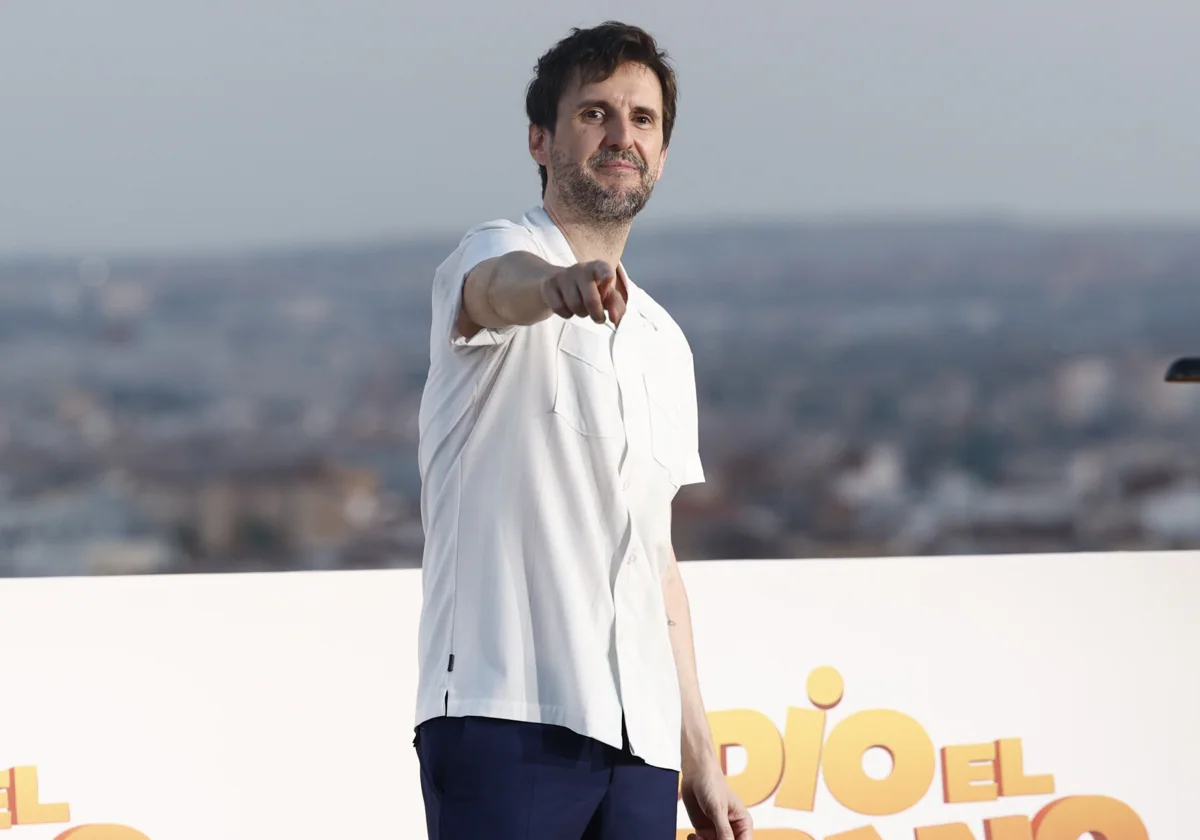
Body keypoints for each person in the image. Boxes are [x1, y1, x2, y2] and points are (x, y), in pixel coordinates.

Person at [414, 20, 752, 840]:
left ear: (662, 155)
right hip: (504, 717)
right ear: (540, 138)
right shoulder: (495, 251)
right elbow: (497, 289)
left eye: (642, 120)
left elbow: (653, 560)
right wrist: (558, 282)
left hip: (640, 748)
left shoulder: (664, 342)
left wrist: (697, 750)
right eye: (594, 113)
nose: (621, 135)